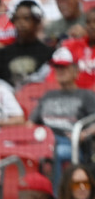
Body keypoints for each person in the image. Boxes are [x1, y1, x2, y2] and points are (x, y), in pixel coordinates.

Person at [30, 47, 95, 185]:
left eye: (64, 67)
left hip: (71, 143)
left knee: (57, 153)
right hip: (44, 141)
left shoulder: (86, 95)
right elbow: (30, 123)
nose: (60, 71)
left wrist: (84, 134)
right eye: (57, 67)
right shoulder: (48, 95)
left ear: (75, 70)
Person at [0, 1, 55, 88]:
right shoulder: (2, 54)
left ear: (37, 22)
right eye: (17, 19)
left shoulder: (49, 53)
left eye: (26, 18)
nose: (21, 23)